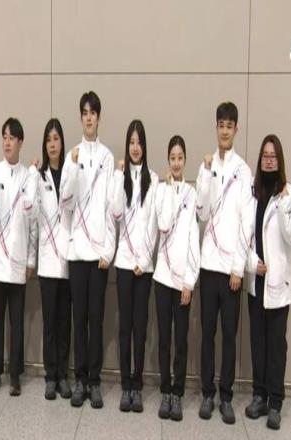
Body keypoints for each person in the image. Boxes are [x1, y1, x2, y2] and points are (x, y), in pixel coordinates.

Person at [196, 102, 254, 424]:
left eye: (229, 125)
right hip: (208, 265)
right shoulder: (207, 166)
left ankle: (226, 396)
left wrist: (237, 267)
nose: (224, 130)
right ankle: (207, 394)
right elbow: (202, 212)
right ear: (216, 127)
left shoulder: (243, 171)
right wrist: (206, 174)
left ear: (236, 129)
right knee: (207, 334)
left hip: (230, 270)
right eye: (221, 125)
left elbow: (247, 223)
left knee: (229, 336)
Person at [244, 134, 291, 430]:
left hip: (278, 286)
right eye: (265, 156)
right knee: (258, 343)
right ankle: (259, 396)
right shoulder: (252, 193)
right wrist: (250, 263)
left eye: (273, 156)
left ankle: (276, 402)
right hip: (256, 283)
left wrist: (282, 205)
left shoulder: (290, 195)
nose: (269, 160)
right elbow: (244, 235)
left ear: (279, 160)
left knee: (276, 347)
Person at [0, 117, 38, 397]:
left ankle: (15, 375)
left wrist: (31, 260)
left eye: (12, 137)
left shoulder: (28, 176)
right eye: (4, 136)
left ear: (20, 142)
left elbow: (33, 220)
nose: (7, 142)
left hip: (18, 264)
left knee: (17, 324)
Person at [64, 91, 116, 409]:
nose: (88, 117)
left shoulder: (108, 157)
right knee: (78, 319)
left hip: (98, 257)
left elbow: (111, 208)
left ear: (98, 117)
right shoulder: (73, 155)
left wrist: (108, 251)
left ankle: (94, 381)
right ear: (80, 117)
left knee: (96, 320)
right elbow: (65, 201)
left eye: (92, 113)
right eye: (84, 112)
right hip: (77, 254)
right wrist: (72, 168)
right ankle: (80, 380)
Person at [28, 118, 77, 400]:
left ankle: (63, 375)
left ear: (62, 142)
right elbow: (31, 215)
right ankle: (50, 376)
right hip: (47, 262)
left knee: (64, 323)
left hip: (67, 259)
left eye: (56, 139)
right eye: (48, 140)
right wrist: (32, 177)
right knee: (50, 324)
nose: (52, 144)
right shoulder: (39, 177)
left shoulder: (70, 172)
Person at [111, 120, 158, 413]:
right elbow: (116, 213)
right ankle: (125, 385)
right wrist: (119, 176)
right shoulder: (121, 177)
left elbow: (153, 224)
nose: (135, 147)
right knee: (125, 327)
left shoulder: (154, 180)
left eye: (139, 142)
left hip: (144, 267)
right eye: (131, 142)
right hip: (123, 264)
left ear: (144, 146)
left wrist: (143, 259)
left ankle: (138, 385)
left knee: (140, 328)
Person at [153, 135, 200, 421]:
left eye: (180, 157)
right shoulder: (161, 190)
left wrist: (189, 282)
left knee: (180, 339)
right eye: (172, 157)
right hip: (162, 277)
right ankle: (165, 391)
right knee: (164, 339)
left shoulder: (192, 194)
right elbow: (163, 224)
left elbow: (193, 238)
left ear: (185, 160)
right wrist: (170, 190)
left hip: (182, 280)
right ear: (168, 160)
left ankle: (178, 393)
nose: (176, 162)